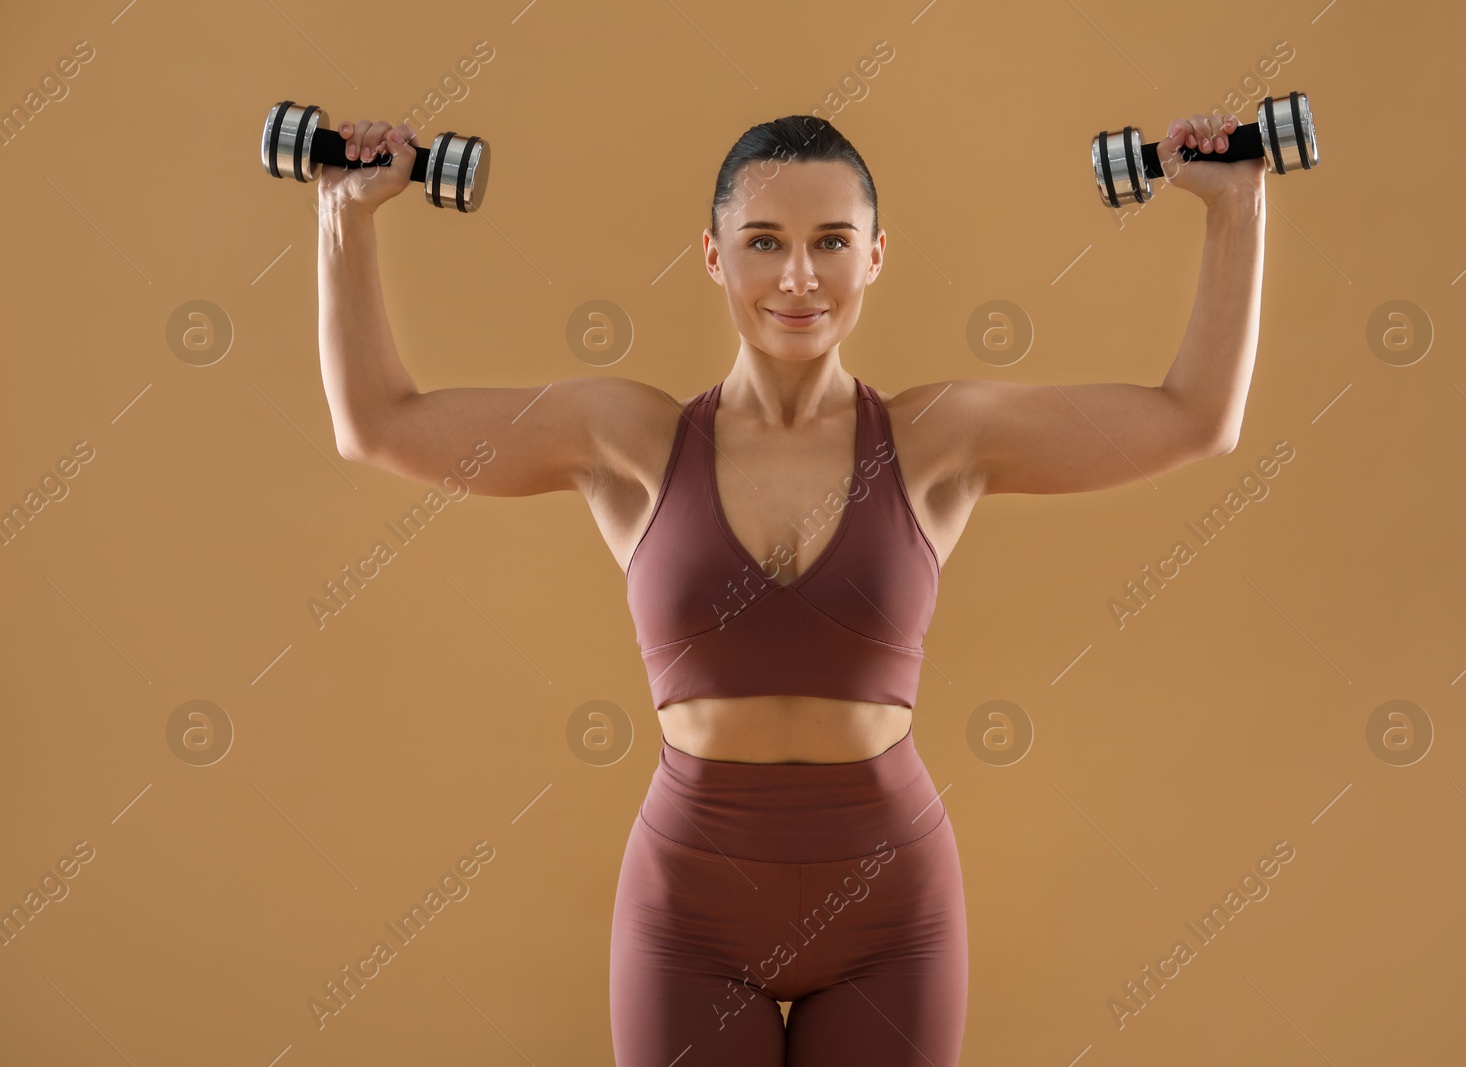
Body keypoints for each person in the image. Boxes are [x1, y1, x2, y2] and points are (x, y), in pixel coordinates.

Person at [316, 109, 1265, 1065]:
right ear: (714, 257)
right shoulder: (628, 440)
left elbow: (1195, 417)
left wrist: (1238, 205)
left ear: (876, 257)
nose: (799, 277)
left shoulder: (941, 440)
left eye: (831, 243)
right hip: (688, 908)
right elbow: (378, 424)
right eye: (764, 242)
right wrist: (344, 213)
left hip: (892, 910)